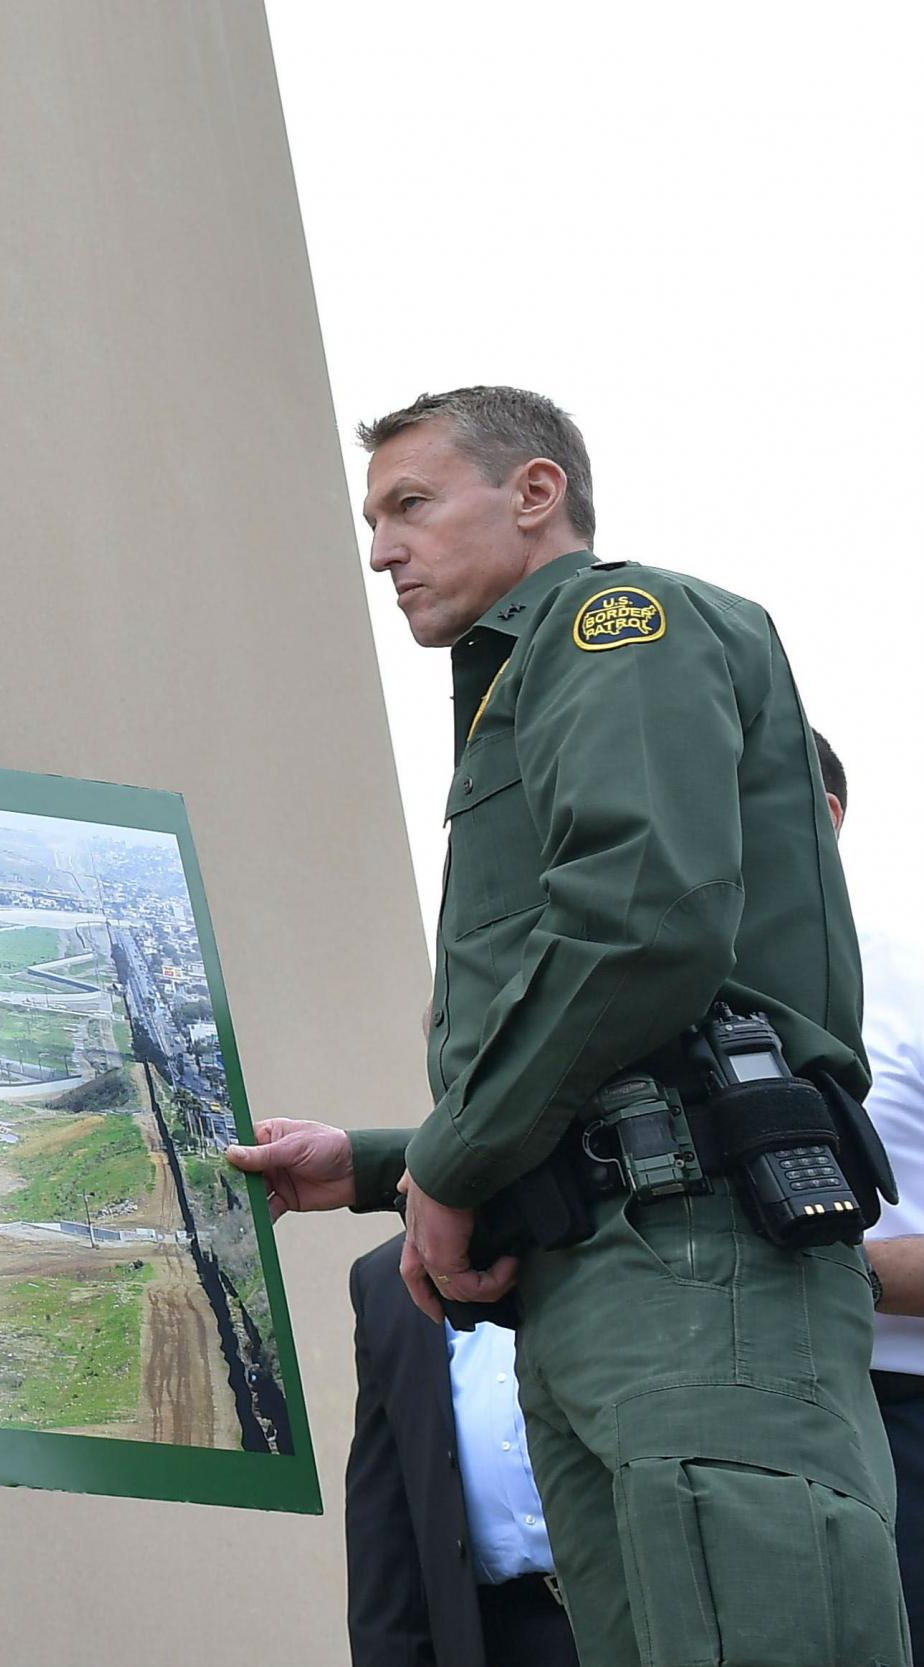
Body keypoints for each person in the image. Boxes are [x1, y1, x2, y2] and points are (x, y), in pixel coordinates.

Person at [228, 388, 903, 1666]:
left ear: (534, 493)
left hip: (694, 1261)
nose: (380, 550)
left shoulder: (614, 623)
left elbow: (643, 926)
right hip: (612, 1273)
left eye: (409, 504)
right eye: (372, 520)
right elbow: (617, 1051)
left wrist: (449, 1161)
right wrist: (380, 1164)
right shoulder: (518, 683)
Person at [348, 1234, 577, 1666]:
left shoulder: (593, 1219)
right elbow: (383, 1511)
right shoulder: (383, 1279)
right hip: (495, 1634)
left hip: (634, 1605)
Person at [816, 732, 924, 1642]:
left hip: (901, 1417)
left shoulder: (912, 980)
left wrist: (833, 1276)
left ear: (825, 817)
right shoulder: (665, 999)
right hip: (741, 1432)